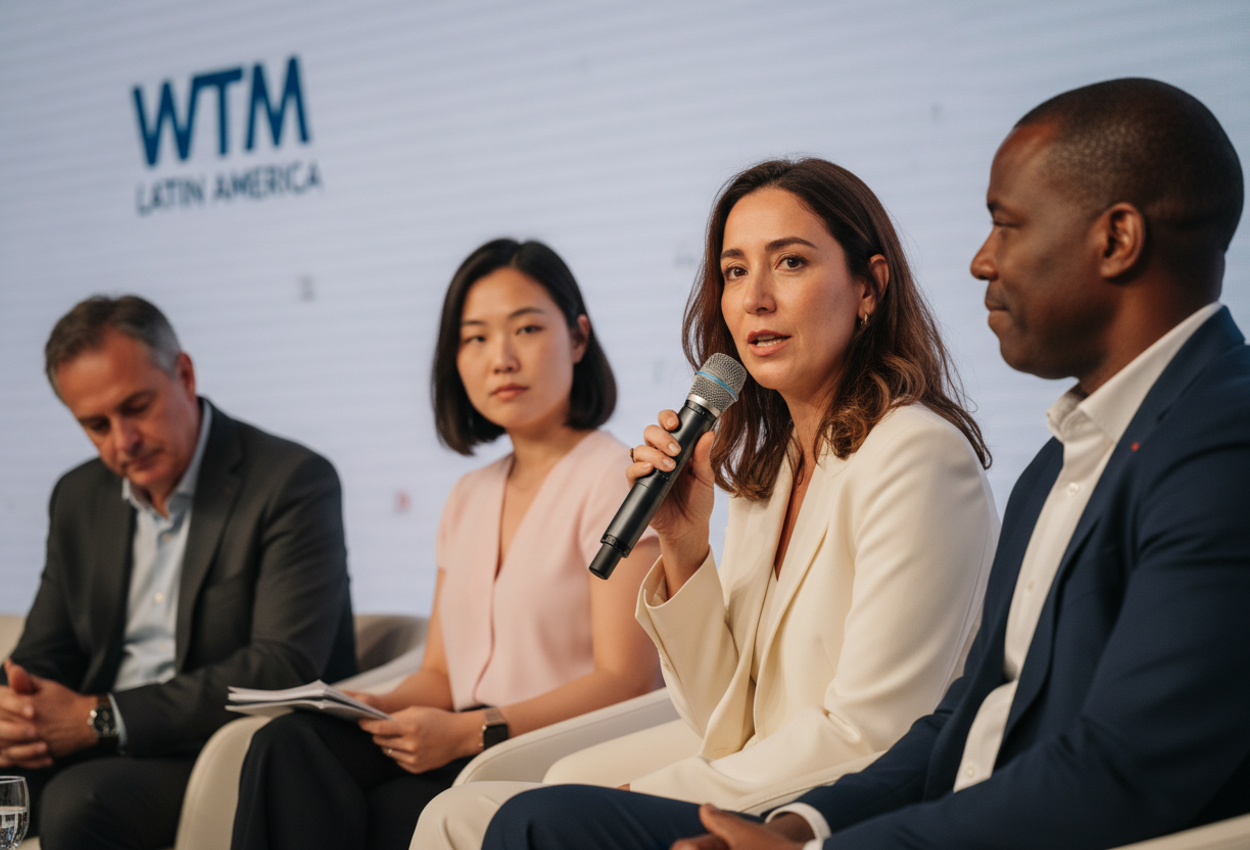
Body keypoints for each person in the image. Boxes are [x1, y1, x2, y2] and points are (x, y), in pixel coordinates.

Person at [482, 78, 1250, 850]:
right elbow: (959, 720)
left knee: (535, 820)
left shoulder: (1222, 443)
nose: (982, 262)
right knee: (530, 810)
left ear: (1116, 240)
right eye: (734, 270)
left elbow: (1119, 768)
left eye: (1007, 226)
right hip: (883, 805)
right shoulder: (1058, 461)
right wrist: (800, 826)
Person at [416, 159, 999, 849]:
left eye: (789, 263)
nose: (754, 298)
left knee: (536, 818)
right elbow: (722, 714)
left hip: (838, 803)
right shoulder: (768, 468)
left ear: (868, 287)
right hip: (759, 769)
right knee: (452, 814)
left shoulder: (916, 455)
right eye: (733, 271)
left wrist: (649, 793)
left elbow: (871, 735)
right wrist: (685, 548)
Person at [229, 238, 662, 850]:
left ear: (578, 339)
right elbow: (439, 672)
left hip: (554, 749)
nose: (501, 359)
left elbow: (625, 680)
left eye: (527, 329)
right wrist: (371, 705)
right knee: (289, 745)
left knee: (384, 813)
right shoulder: (469, 494)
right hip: (462, 738)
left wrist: (469, 732)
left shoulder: (618, 477)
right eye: (476, 338)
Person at [0, 295, 357, 850]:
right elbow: (48, 649)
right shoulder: (78, 495)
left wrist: (103, 717)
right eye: (96, 425)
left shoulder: (291, 482)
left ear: (184, 374)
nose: (124, 442)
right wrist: (14, 710)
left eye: (137, 407)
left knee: (80, 804)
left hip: (218, 743)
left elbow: (283, 665)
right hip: (96, 741)